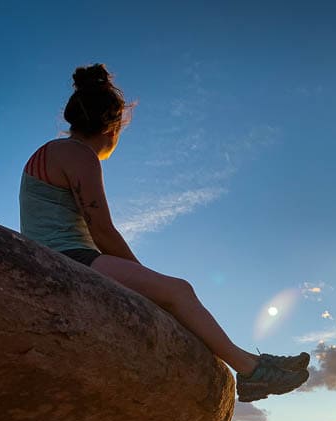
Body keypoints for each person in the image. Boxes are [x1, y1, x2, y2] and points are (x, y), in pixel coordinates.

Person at [19, 63, 309, 403]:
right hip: (70, 257)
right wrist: (145, 277)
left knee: (173, 292)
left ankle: (251, 360)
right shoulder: (79, 154)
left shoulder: (51, 150)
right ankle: (250, 372)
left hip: (63, 254)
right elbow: (102, 230)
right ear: (113, 125)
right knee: (177, 291)